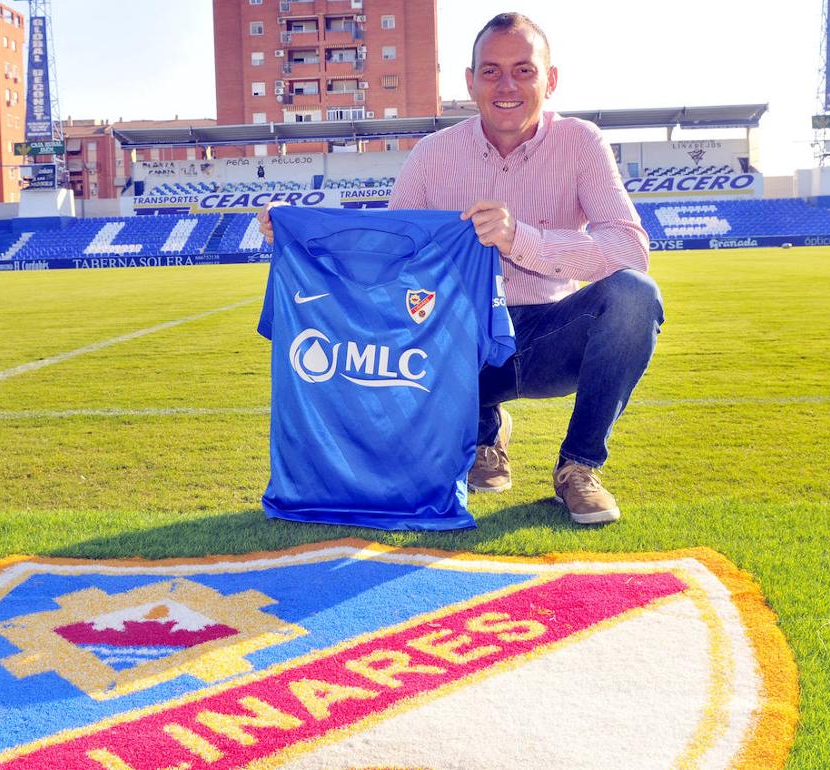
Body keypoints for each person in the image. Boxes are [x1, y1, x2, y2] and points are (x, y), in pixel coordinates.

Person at [258, 12, 662, 525]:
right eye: (490, 71)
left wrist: (522, 240)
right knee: (412, 345)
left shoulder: (580, 144)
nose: (506, 85)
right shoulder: (432, 156)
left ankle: (577, 468)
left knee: (634, 296)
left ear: (550, 79)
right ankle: (483, 433)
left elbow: (629, 249)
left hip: (548, 333)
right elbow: (387, 256)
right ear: (469, 81)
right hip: (456, 343)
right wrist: (298, 234)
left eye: (524, 69)